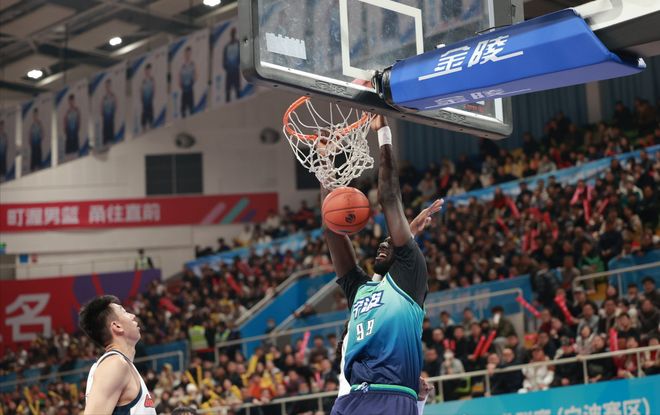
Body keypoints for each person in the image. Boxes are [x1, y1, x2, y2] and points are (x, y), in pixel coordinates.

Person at [326, 114, 442, 415]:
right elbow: (332, 231)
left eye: (390, 242)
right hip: (350, 401)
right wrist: (326, 171)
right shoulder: (360, 291)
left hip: (391, 395)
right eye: (382, 243)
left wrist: (384, 135)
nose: (382, 244)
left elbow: (389, 198)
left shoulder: (409, 277)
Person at [79, 295, 156, 414]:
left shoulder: (120, 364)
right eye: (125, 312)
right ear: (117, 326)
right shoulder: (115, 364)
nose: (133, 316)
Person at [223, 27, 241, 102]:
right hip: (229, 71)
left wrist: (237, 64)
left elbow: (240, 56)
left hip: (235, 70)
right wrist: (227, 67)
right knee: (228, 90)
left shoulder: (238, 44)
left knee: (237, 89)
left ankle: (240, 104)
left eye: (234, 33)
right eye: (232, 33)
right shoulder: (227, 46)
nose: (233, 35)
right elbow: (224, 59)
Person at [179, 46, 197, 117]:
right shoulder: (182, 65)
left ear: (190, 54)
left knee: (191, 109)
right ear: (185, 54)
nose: (188, 55)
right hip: (184, 90)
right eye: (186, 53)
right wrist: (181, 85)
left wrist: (192, 82)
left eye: (189, 53)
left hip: (190, 90)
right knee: (183, 110)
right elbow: (179, 76)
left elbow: (195, 75)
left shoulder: (192, 64)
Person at [101, 79, 117, 145]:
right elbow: (101, 106)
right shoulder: (104, 97)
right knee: (105, 127)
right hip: (105, 116)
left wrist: (113, 111)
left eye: (109, 86)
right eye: (106, 86)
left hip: (111, 115)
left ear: (111, 86)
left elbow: (115, 104)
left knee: (111, 125)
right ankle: (105, 140)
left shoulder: (113, 96)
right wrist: (102, 112)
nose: (107, 87)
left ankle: (111, 139)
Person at [141, 64, 155, 130]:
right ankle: (144, 125)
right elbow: (141, 90)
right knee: (144, 112)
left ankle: (151, 123)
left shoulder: (152, 79)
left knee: (150, 111)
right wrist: (142, 98)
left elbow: (154, 88)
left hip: (150, 99)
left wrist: (152, 96)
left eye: (149, 70)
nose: (148, 71)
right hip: (144, 99)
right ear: (145, 71)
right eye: (147, 70)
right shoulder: (143, 80)